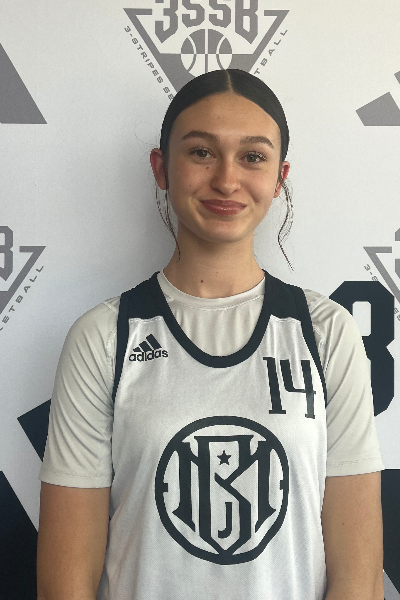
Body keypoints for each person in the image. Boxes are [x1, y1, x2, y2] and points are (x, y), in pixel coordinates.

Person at [37, 69, 384, 600]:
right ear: (161, 167)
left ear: (280, 177)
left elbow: (358, 578)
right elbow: (66, 583)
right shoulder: (104, 338)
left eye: (253, 156)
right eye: (201, 152)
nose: (226, 179)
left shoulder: (326, 332)